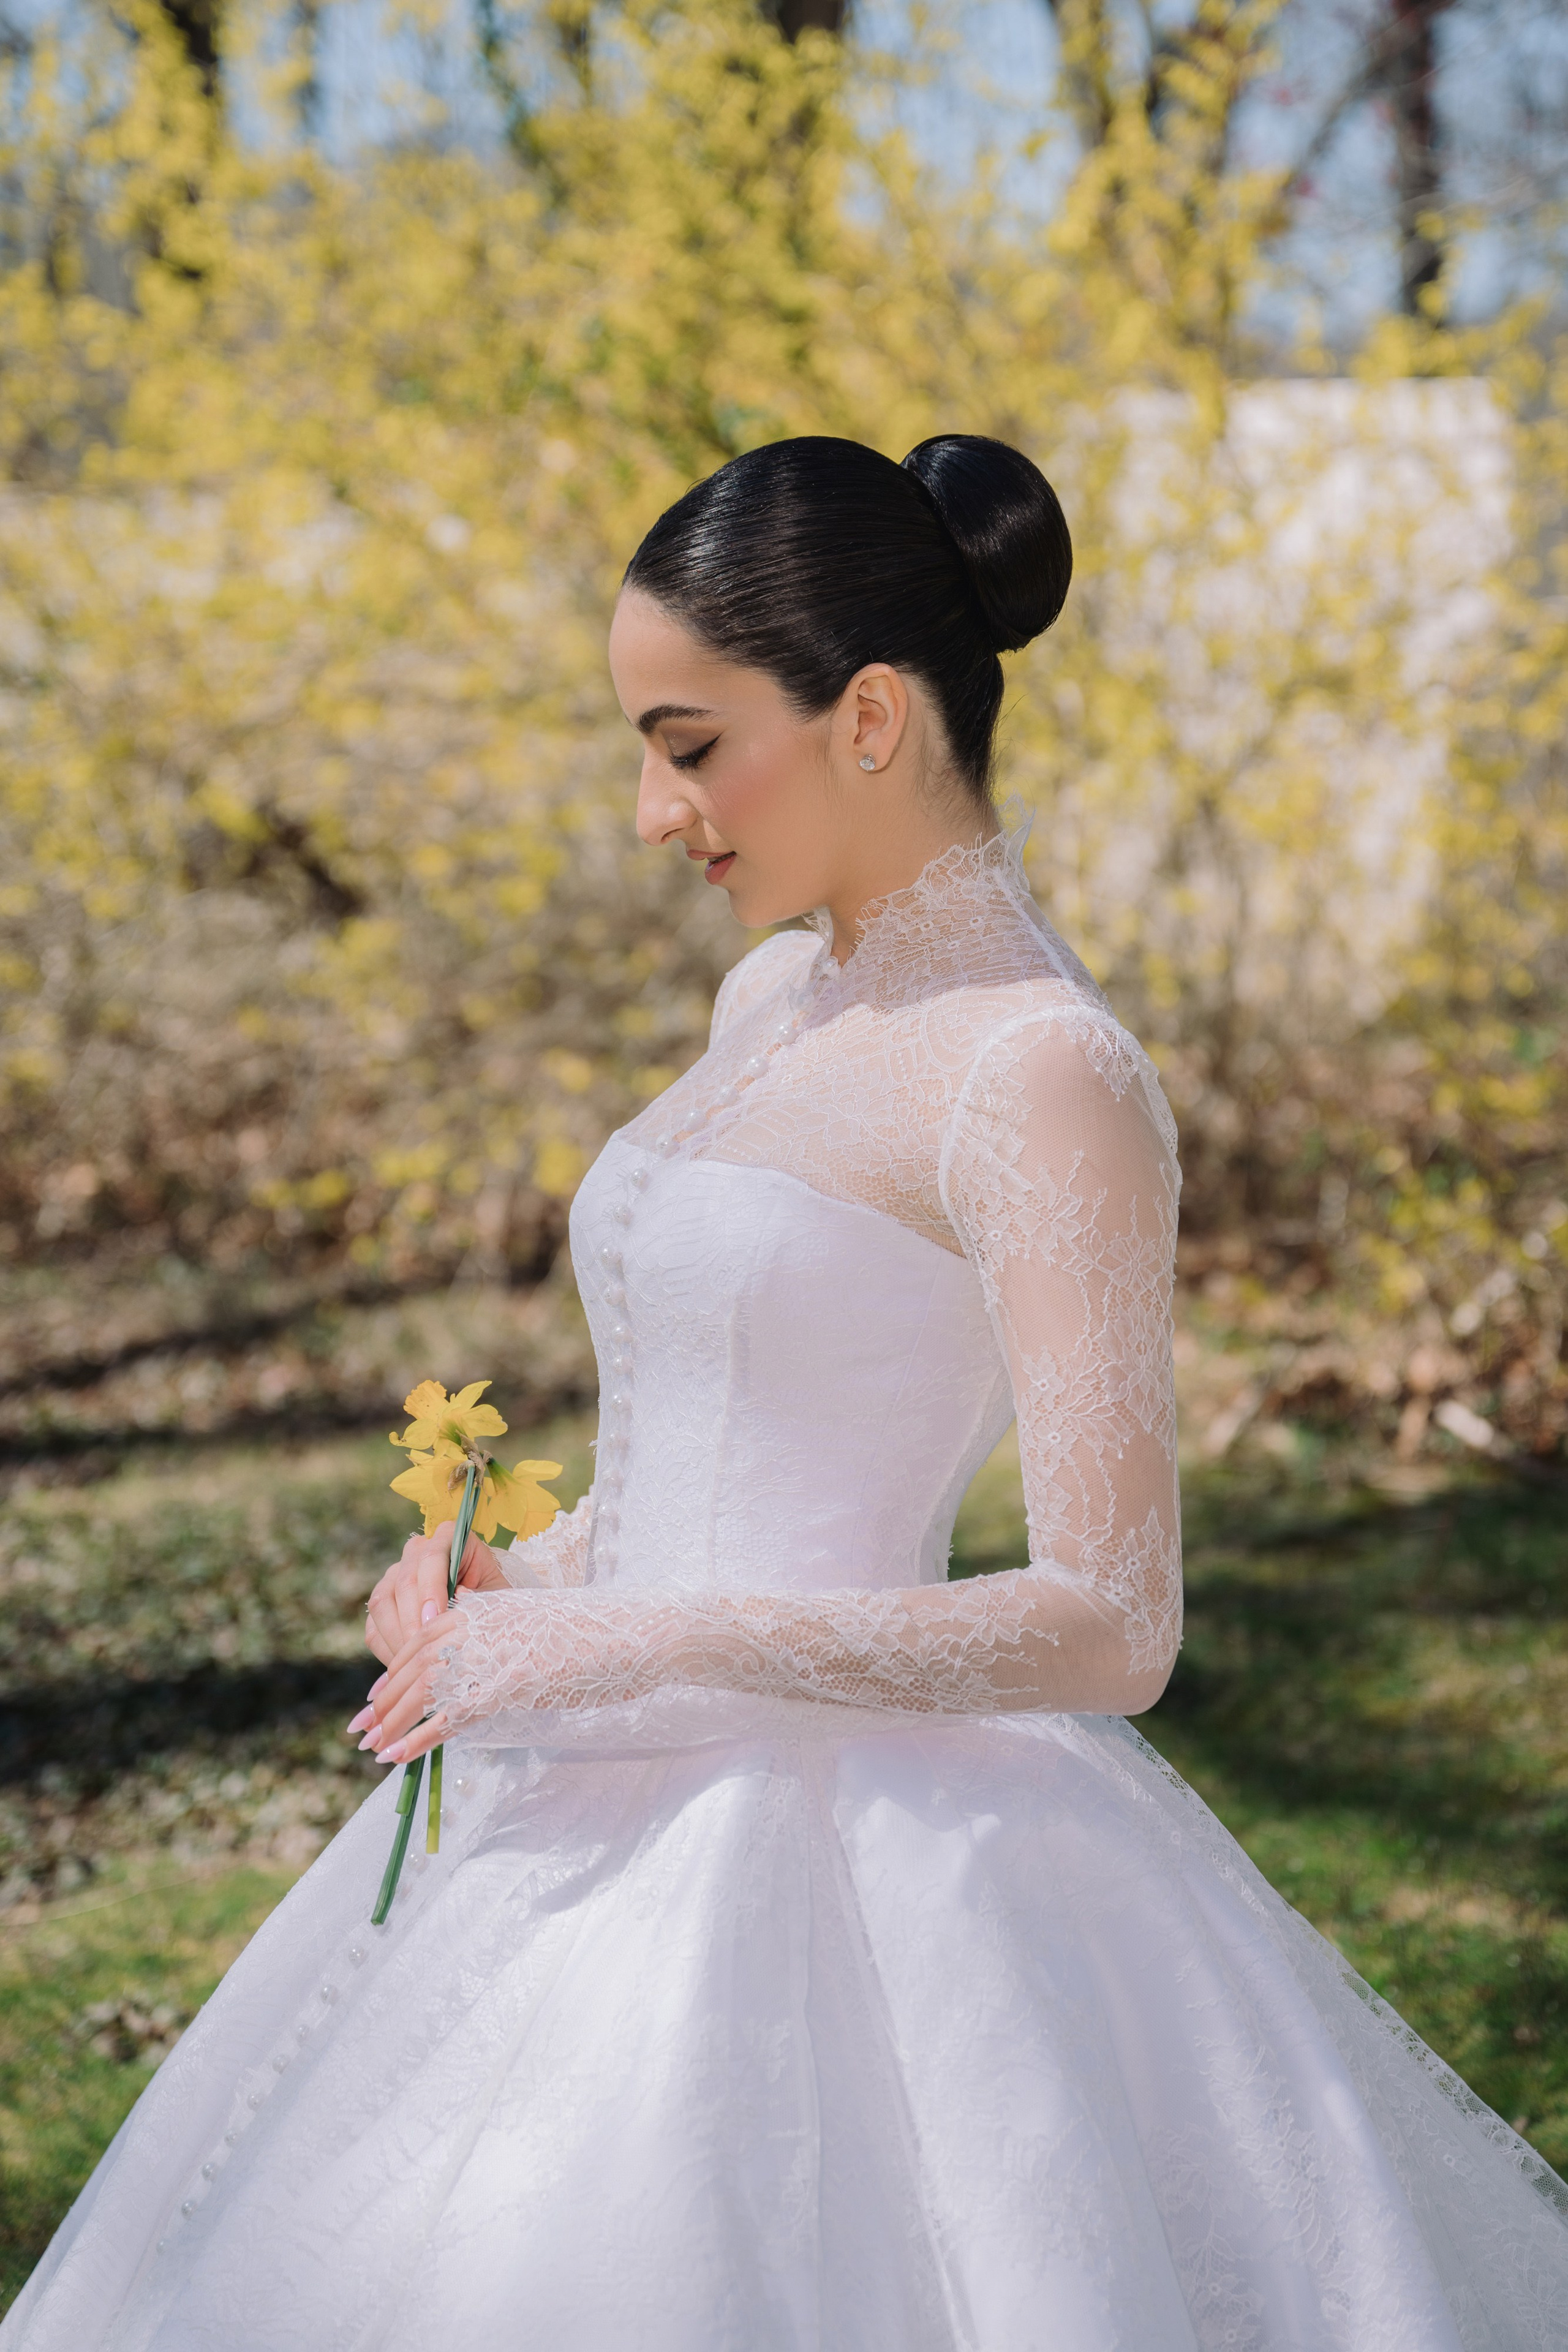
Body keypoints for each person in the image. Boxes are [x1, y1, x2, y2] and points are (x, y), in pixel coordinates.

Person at [6, 434, 1566, 2352]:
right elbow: (744, 1422)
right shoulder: (776, 1000)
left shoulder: (1039, 1076)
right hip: (582, 1795)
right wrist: (529, 1578)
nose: (655, 815)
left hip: (874, 1879)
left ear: (875, 717)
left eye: (685, 743)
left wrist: (618, 1647)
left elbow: (1114, 1623)